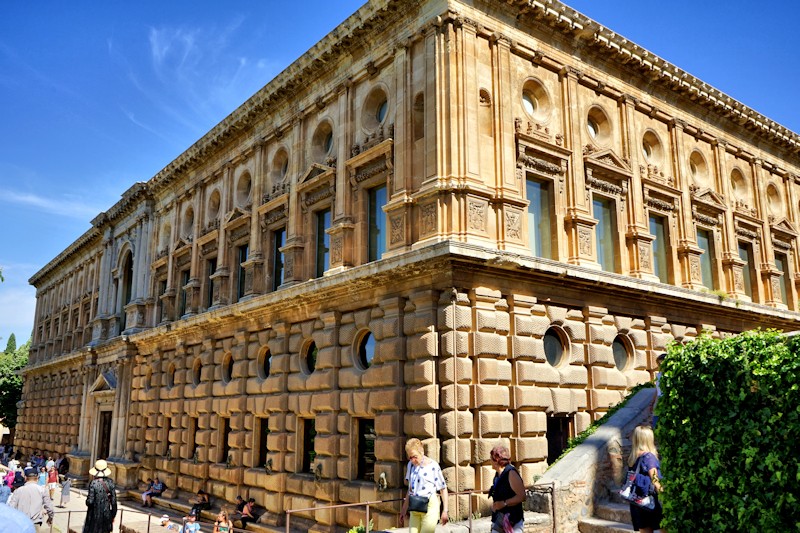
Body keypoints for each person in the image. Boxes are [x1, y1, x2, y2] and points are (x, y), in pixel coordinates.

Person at [399, 438, 448, 533]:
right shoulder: (410, 465)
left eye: (415, 456)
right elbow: (410, 490)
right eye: (410, 457)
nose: (412, 460)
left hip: (430, 507)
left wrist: (445, 511)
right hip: (415, 507)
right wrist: (404, 510)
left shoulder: (433, 466)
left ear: (421, 451)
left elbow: (443, 489)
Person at [627, 426, 663, 533]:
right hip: (649, 500)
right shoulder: (649, 457)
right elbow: (655, 480)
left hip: (637, 501)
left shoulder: (633, 457)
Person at [488, 445, 525, 533]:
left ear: (496, 460)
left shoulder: (511, 473)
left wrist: (504, 503)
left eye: (490, 458)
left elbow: (522, 496)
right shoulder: (498, 475)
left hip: (513, 521)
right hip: (499, 520)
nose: (489, 461)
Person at [6, 467, 54, 532]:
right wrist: (50, 518)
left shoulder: (18, 491)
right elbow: (49, 507)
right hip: (35, 523)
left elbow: (10, 508)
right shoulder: (42, 490)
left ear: (25, 478)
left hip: (21, 523)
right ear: (37, 478)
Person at [83, 459, 118, 533]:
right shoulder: (111, 482)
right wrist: (112, 515)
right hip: (107, 515)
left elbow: (90, 501)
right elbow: (114, 502)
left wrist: (87, 501)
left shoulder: (93, 483)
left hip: (94, 516)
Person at [651, 353, 666, 429]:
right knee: (655, 422)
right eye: (659, 364)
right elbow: (657, 390)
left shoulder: (668, 375)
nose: (660, 366)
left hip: (665, 400)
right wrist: (653, 402)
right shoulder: (659, 375)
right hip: (659, 399)